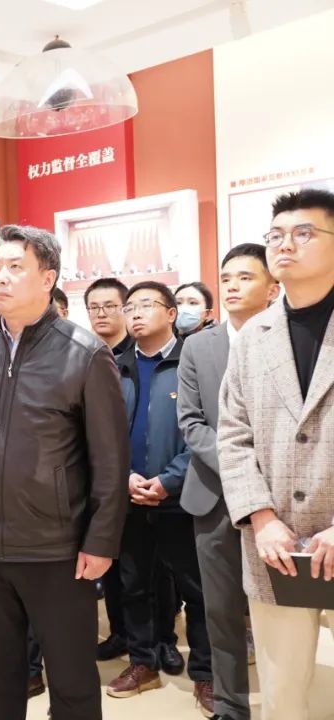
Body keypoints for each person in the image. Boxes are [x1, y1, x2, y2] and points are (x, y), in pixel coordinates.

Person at [0, 225, 129, 720]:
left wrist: (101, 541)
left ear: (48, 279)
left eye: (15, 267)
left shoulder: (85, 354)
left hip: (57, 549)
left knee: (71, 683)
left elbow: (110, 461)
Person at [219, 188, 334, 720]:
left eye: (303, 233)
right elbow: (233, 434)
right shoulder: (253, 337)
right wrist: (261, 518)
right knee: (282, 694)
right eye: (276, 235)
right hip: (276, 547)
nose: (285, 245)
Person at [178, 243, 278, 720]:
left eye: (245, 277)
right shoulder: (199, 345)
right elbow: (191, 421)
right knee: (220, 610)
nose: (232, 286)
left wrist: (261, 481)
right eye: (226, 278)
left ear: (272, 287)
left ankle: (282, 704)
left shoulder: (289, 341)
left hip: (278, 502)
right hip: (213, 496)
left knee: (278, 613)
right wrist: (241, 470)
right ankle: (231, 706)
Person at [109, 281, 213, 713]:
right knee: (134, 586)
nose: (134, 313)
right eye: (130, 306)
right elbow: (102, 433)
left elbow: (208, 429)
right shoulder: (113, 366)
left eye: (146, 305)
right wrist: (125, 477)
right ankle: (143, 662)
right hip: (129, 496)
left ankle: (206, 673)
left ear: (171, 313)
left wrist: (169, 480)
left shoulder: (193, 361)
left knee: (197, 590)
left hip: (183, 496)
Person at [84, 278, 134, 356]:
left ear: (126, 309)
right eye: (94, 307)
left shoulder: (141, 350)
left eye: (109, 306)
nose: (101, 314)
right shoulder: (81, 353)